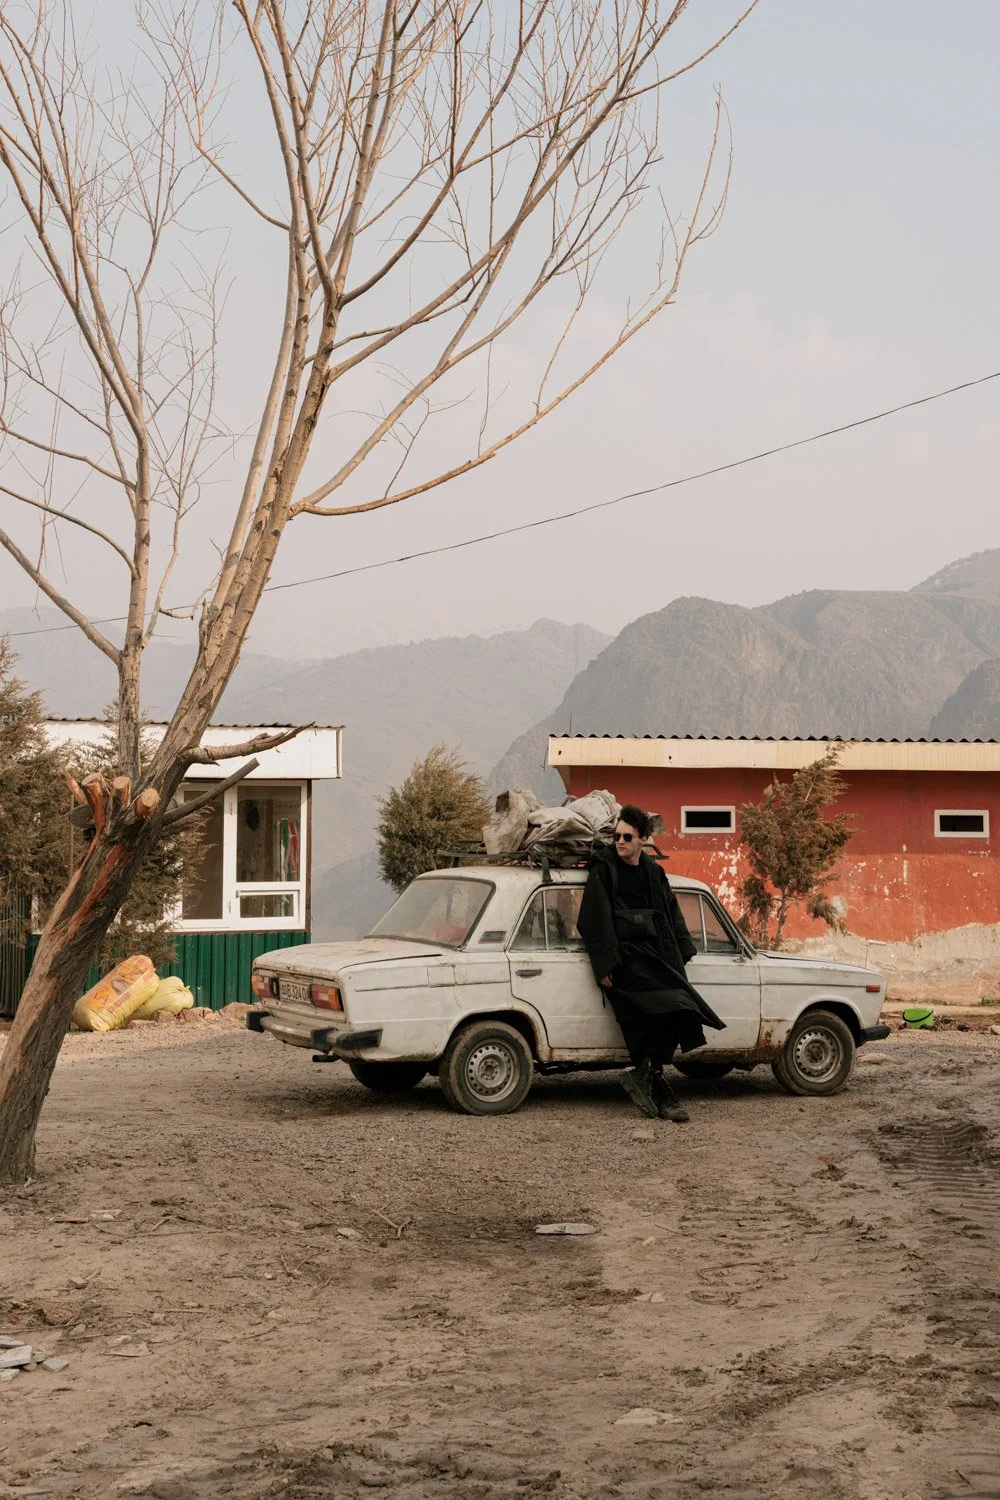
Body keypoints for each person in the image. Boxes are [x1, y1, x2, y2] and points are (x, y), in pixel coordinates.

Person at [577, 804, 726, 1122]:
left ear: (643, 838)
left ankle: (647, 1074)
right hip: (624, 961)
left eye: (627, 837)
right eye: (616, 836)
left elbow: (671, 912)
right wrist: (604, 965)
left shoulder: (652, 872)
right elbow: (593, 919)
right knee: (657, 1009)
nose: (619, 842)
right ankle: (656, 1081)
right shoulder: (604, 869)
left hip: (655, 958)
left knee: (684, 1008)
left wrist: (682, 952)